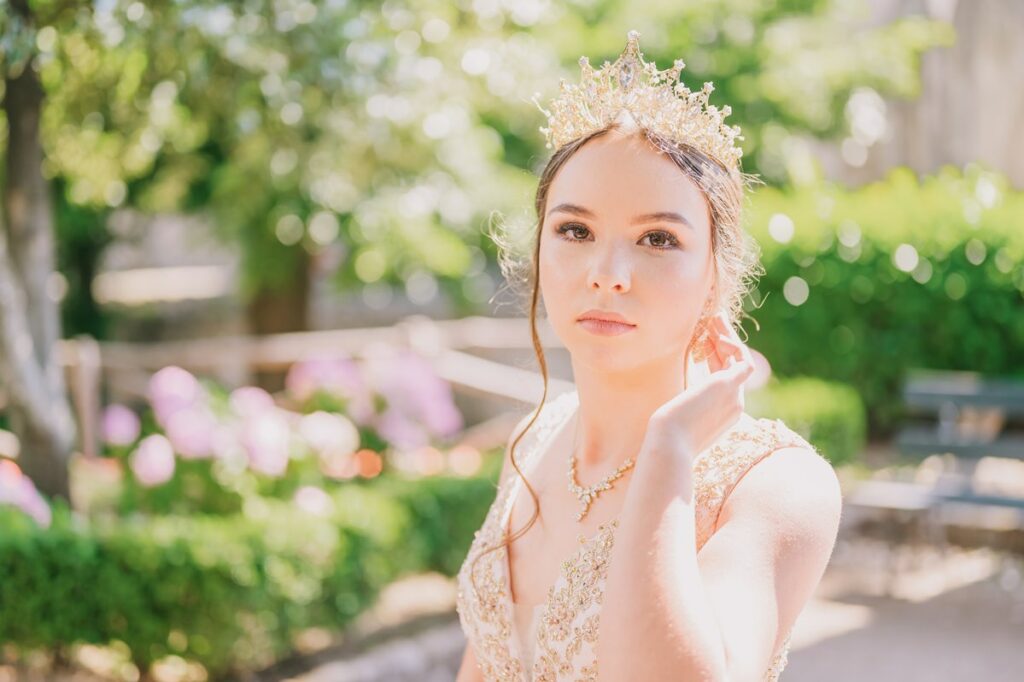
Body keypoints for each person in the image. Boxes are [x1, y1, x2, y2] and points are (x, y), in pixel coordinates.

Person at [455, 30, 842, 682]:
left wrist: (669, 453)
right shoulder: (535, 439)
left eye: (657, 239)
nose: (607, 273)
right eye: (575, 230)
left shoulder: (775, 487)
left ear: (716, 276)